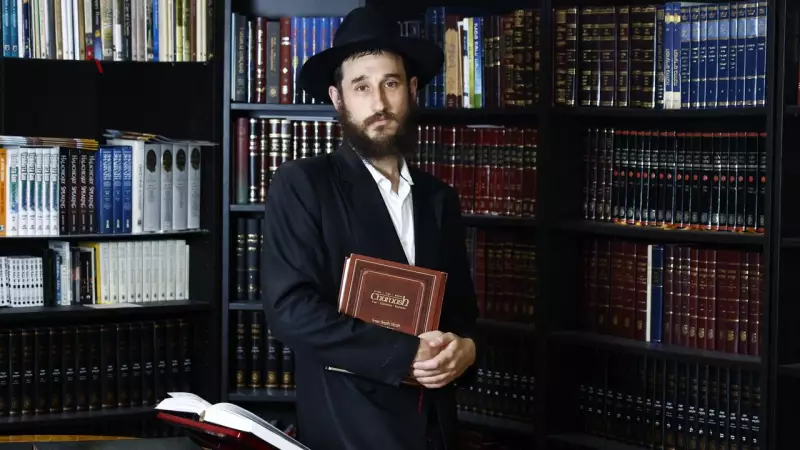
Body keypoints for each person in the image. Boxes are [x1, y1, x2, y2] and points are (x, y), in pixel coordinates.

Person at [261, 6, 479, 450]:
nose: (379, 104)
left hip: (436, 431)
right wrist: (405, 354)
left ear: (411, 90)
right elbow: (291, 310)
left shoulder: (439, 198)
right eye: (361, 86)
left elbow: (460, 312)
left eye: (390, 84)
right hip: (348, 429)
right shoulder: (303, 184)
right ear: (338, 98)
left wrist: (468, 350)